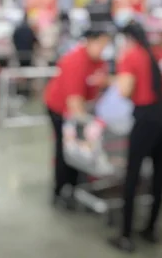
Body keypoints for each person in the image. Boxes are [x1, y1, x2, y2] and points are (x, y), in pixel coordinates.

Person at [108, 22, 162, 253]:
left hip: (146, 118)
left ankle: (125, 234)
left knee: (132, 175)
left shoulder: (131, 56)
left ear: (127, 38)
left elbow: (125, 90)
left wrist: (117, 79)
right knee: (159, 175)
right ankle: (150, 228)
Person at [44, 29, 110, 209]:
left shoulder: (99, 62)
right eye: (100, 44)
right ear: (89, 41)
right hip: (60, 108)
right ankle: (60, 190)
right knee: (65, 149)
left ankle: (75, 186)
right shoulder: (74, 61)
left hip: (81, 109)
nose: (103, 49)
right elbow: (74, 102)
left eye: (105, 45)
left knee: (79, 151)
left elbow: (101, 83)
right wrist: (89, 127)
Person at [13, 13, 38, 96]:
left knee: (20, 72)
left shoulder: (17, 29)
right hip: (29, 54)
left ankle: (20, 90)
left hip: (19, 54)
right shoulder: (29, 30)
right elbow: (35, 41)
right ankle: (27, 91)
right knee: (28, 72)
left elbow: (13, 39)